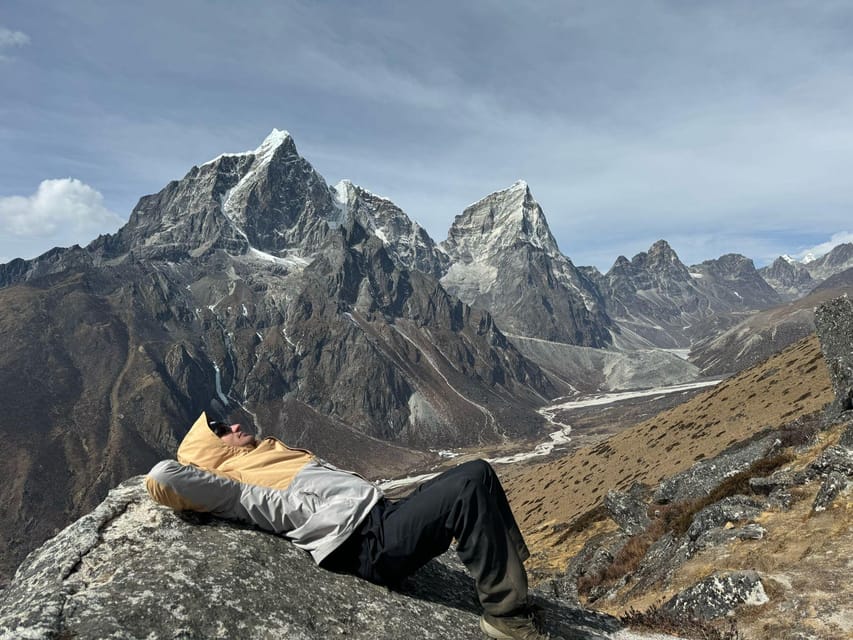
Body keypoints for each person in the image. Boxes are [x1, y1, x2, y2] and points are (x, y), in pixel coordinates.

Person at [146, 412, 553, 640]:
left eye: (227, 422)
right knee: (469, 484)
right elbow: (164, 477)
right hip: (368, 543)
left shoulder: (265, 458)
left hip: (383, 517)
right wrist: (203, 471)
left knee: (478, 473)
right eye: (220, 431)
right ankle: (507, 618)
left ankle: (513, 592)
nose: (233, 425)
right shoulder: (238, 489)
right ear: (211, 452)